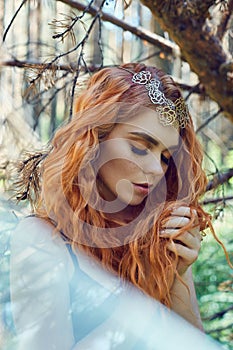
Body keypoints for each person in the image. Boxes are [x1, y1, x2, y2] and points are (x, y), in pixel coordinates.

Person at [9, 63, 214, 349]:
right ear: (94, 139)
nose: (156, 169)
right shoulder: (42, 240)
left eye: (166, 157)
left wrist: (176, 275)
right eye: (140, 148)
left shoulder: (158, 236)